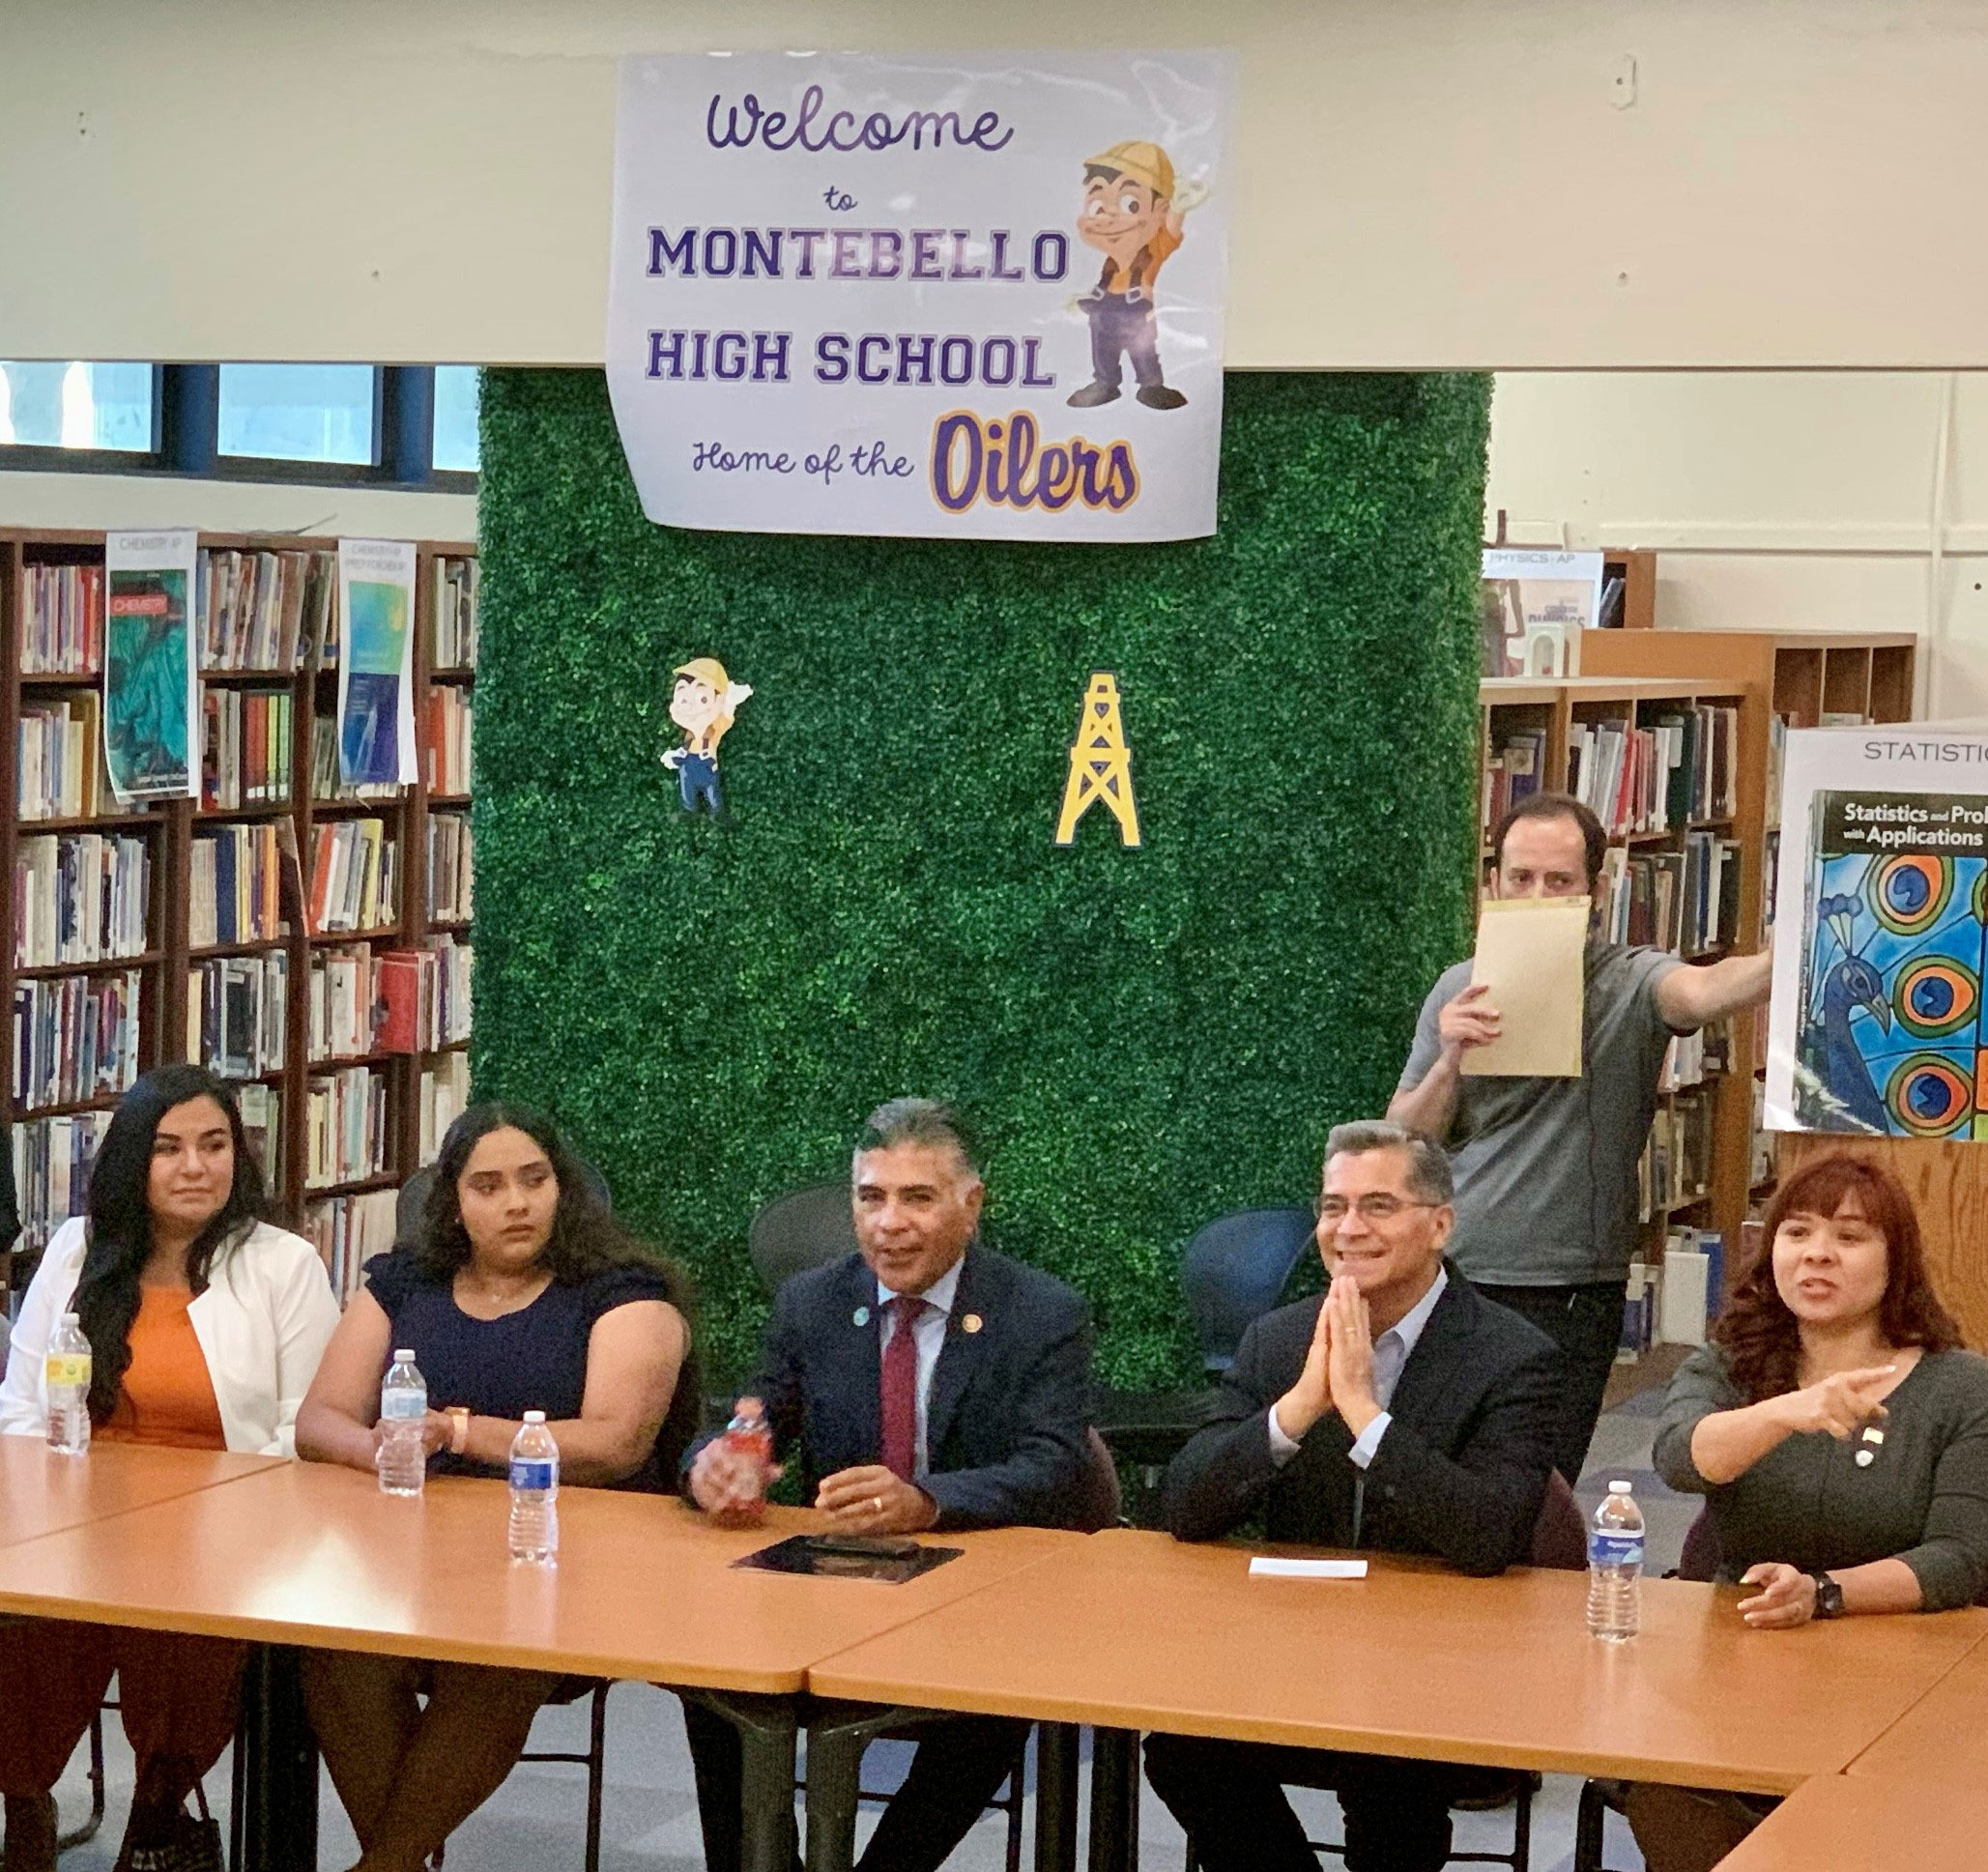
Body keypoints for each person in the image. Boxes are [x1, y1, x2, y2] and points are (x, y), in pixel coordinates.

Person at [682, 1097, 1094, 1872]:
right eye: (870, 1198)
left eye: (917, 1197)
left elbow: (1057, 1467)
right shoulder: (812, 1302)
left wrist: (930, 1499)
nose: (888, 1223)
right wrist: (716, 1462)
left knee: (997, 1702)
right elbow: (748, 1414)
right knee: (711, 1683)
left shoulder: (1041, 1312)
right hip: (835, 1589)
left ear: (972, 1205)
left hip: (980, 1601)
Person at [1145, 1120, 1563, 1872]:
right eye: (1333, 1206)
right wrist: (1300, 1406)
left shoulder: (1513, 1357)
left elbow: (1488, 1535)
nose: (1348, 1228)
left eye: (1377, 1205)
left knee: (1390, 1774)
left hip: (1440, 1667)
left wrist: (1366, 1416)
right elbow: (1182, 1504)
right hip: (1295, 1649)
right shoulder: (1277, 1340)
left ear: (1439, 1224)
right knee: (1181, 1750)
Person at [293, 1105, 695, 1872]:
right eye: (488, 1185)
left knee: (497, 1652)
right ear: (454, 1202)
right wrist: (371, 1445)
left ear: (563, 1189)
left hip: (567, 1567)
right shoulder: (404, 1283)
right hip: (413, 1559)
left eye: (534, 1180)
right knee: (333, 1652)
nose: (515, 1201)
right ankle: (400, 1863)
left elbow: (616, 1442)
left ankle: (384, 1864)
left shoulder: (622, 1291)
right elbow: (319, 1420)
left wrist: (460, 1431)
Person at [0, 1064, 338, 1872]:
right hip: (75, 1521)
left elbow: (308, 1429)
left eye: (214, 1145)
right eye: (169, 1148)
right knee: (25, 1622)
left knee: (183, 1633)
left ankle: (160, 1810)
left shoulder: (282, 1264)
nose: (195, 1167)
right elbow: (18, 1407)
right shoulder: (79, 1252)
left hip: (222, 1533)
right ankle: (24, 1799)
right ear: (131, 1163)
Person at [1388, 790, 1774, 1484]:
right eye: (1520, 878)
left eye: (1558, 881)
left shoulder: (1628, 979)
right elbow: (1404, 1142)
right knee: (1430, 1473)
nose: (1536, 895)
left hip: (1566, 1287)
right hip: (1450, 1275)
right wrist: (1449, 1057)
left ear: (1596, 890)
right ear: (1493, 882)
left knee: (1535, 1488)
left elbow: (1704, 992)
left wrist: (1789, 956)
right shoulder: (1458, 986)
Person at [1626, 1151, 1988, 1872]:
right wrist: (1788, 1410)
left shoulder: (1960, 1386)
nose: (1816, 1253)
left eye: (1849, 1237)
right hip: (1740, 1671)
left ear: (1896, 1261)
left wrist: (1823, 1592)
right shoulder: (1729, 1363)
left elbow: (1960, 1556)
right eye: (1796, 1232)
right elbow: (1677, 1457)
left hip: (1904, 1680)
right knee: (1661, 1786)